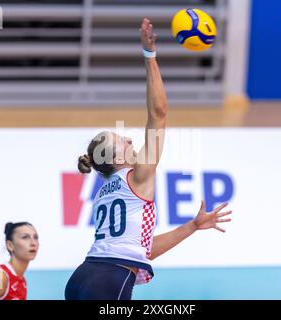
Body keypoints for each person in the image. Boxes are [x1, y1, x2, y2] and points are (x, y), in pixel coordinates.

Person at [64, 18, 232, 300]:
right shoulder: (138, 176)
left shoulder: (106, 190)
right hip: (109, 280)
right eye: (122, 140)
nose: (130, 140)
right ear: (114, 156)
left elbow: (143, 250)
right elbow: (160, 113)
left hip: (82, 278)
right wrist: (149, 55)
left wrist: (191, 226)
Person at [0, 222, 39, 300]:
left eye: (36, 237)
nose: (33, 243)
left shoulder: (22, 280)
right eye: (25, 237)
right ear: (10, 245)